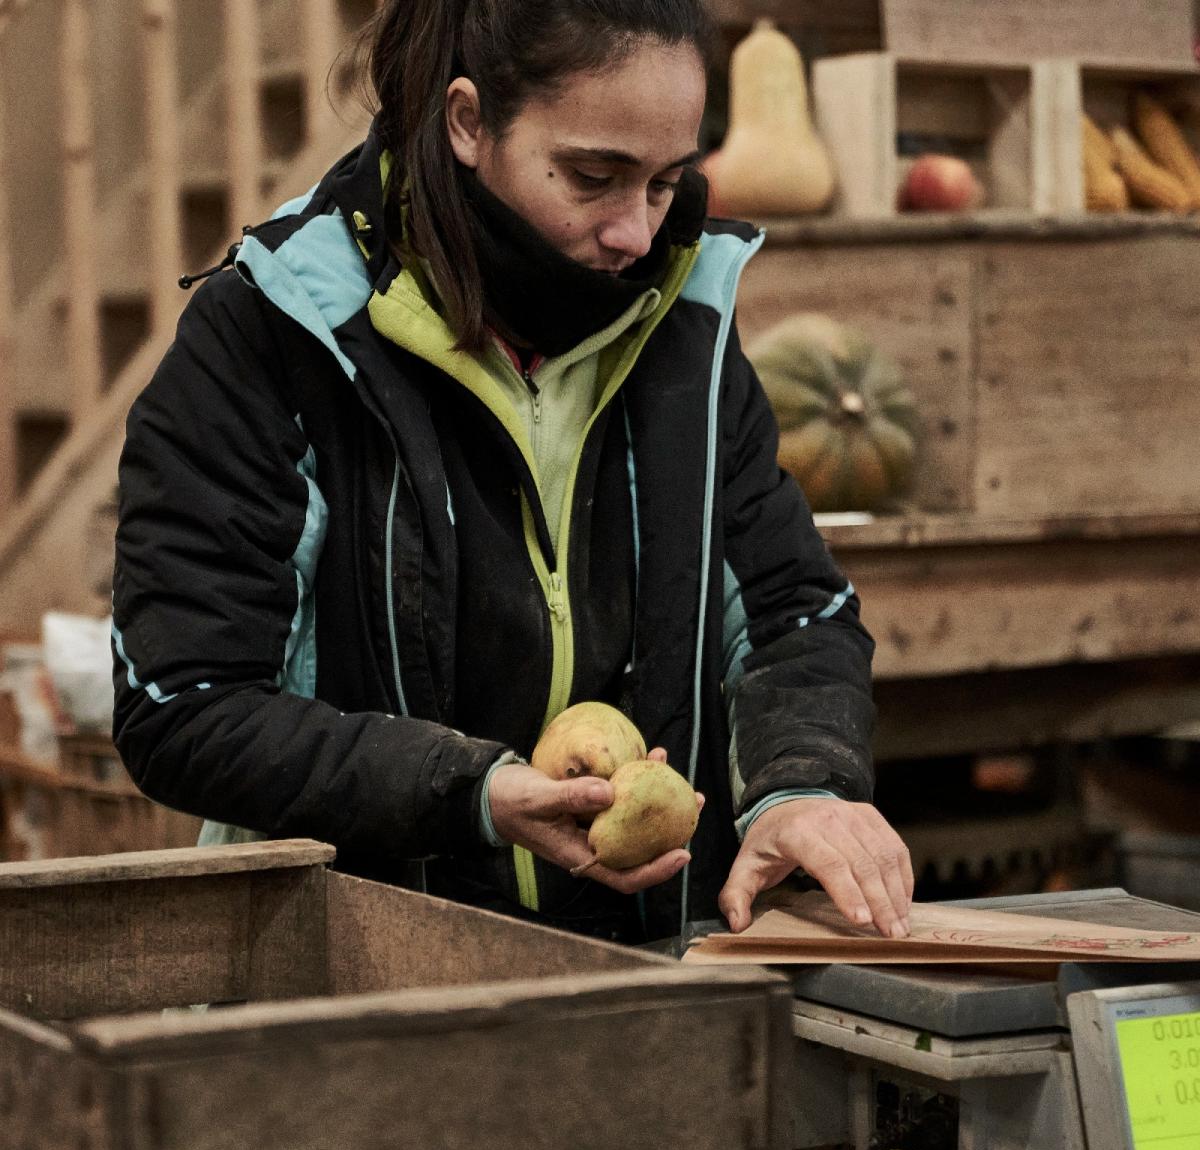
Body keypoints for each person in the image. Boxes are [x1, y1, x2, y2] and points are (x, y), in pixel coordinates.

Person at [111, 0, 913, 945]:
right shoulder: (275, 335)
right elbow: (189, 706)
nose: (634, 236)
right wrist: (473, 794)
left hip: (644, 969)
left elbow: (793, 616)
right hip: (352, 978)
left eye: (664, 183)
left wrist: (801, 788)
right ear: (467, 122)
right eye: (592, 176)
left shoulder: (681, 327)